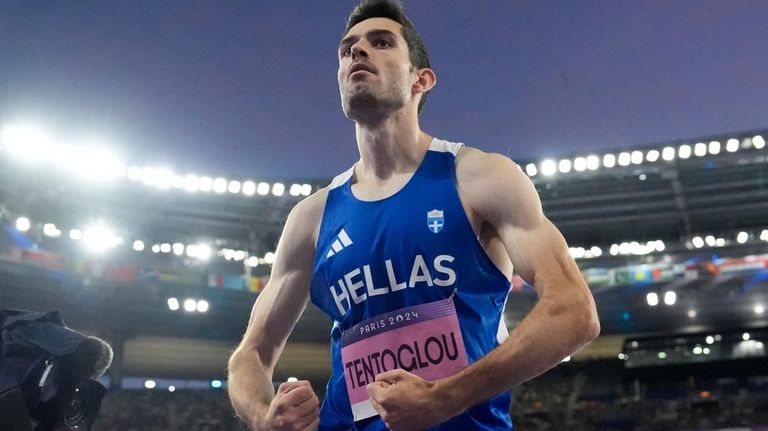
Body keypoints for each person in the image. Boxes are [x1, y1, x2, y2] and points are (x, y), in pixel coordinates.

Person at [227, 0, 600, 429]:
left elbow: (574, 310)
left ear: (421, 79)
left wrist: (447, 396)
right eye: (347, 48)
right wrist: (262, 415)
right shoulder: (310, 218)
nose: (357, 52)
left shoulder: (478, 178)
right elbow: (251, 353)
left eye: (381, 42)